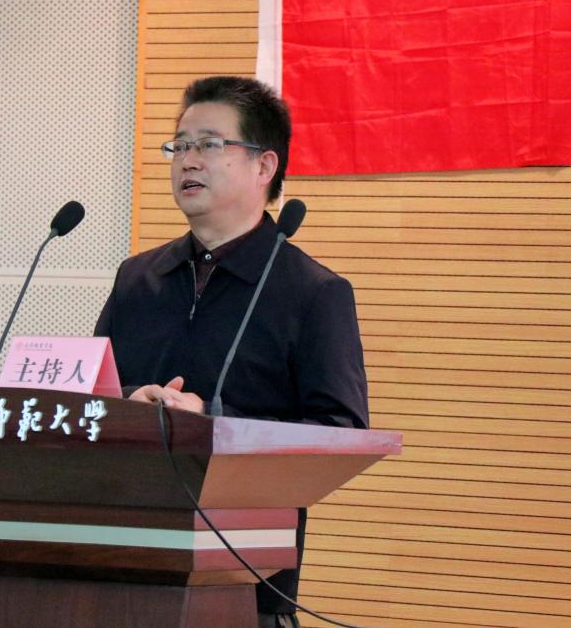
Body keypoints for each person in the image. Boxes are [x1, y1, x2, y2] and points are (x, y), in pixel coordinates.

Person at [95, 75, 368, 628]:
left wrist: (213, 422)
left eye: (209, 144)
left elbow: (339, 433)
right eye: (179, 145)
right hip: (117, 574)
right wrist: (130, 400)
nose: (188, 160)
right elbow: (90, 395)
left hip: (245, 593)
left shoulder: (313, 293)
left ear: (264, 166)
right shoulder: (137, 279)